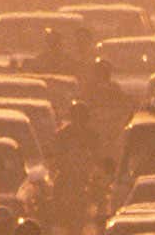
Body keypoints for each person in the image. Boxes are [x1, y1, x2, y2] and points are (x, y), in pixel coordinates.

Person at [51, 100, 100, 235]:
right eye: (76, 117)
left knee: (100, 194)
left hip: (85, 175)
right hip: (67, 174)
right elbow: (56, 156)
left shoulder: (92, 136)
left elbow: (97, 157)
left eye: (81, 118)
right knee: (56, 192)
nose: (79, 122)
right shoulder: (62, 135)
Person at [81, 59, 134, 159]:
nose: (102, 75)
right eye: (99, 72)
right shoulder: (89, 90)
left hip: (113, 129)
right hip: (94, 129)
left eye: (104, 72)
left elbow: (126, 106)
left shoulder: (114, 88)